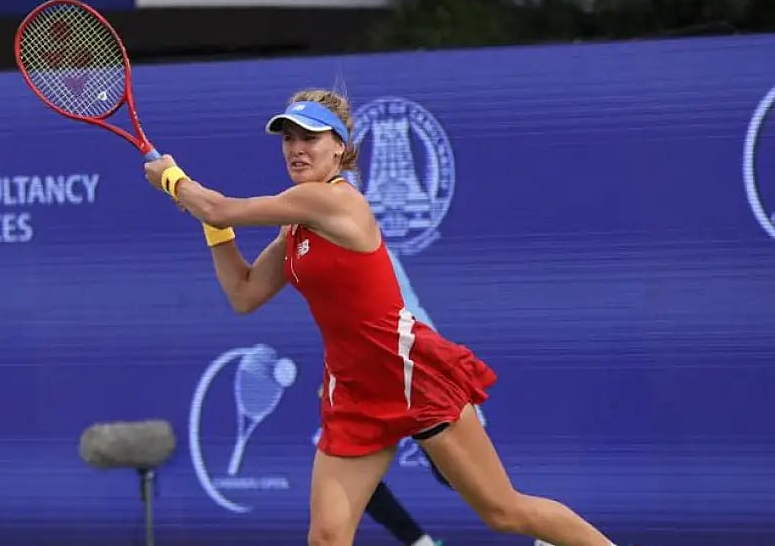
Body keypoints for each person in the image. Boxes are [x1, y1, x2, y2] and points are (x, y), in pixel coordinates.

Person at [144, 89, 618, 546]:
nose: (296, 149)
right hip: (354, 391)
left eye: (309, 138)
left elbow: (221, 205)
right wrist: (214, 230)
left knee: (503, 512)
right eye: (288, 139)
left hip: (410, 373)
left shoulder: (333, 199)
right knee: (327, 536)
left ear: (339, 148)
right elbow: (243, 293)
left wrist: (174, 179)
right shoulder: (295, 224)